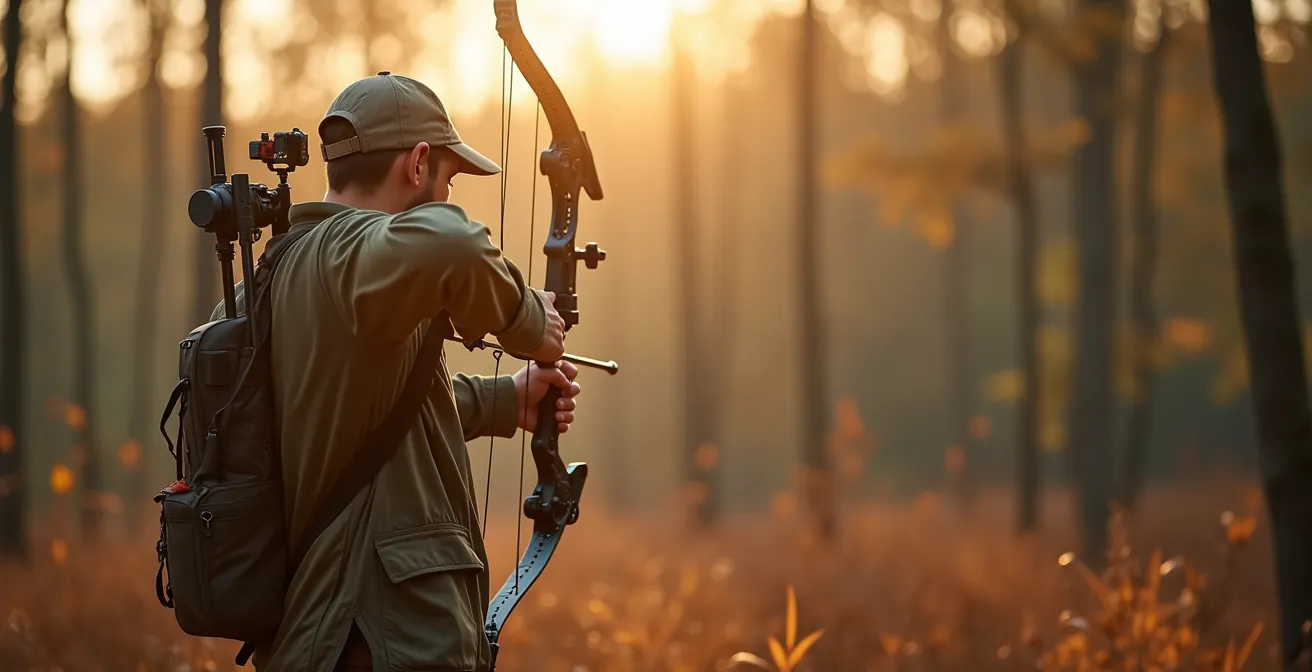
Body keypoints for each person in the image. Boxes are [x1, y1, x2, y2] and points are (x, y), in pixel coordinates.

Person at [215, 72, 583, 672]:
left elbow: (343, 417)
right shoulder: (349, 257)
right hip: (381, 636)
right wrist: (526, 320)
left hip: (311, 641)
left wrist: (502, 401)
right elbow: (454, 245)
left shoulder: (261, 288)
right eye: (449, 178)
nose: (447, 194)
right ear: (417, 164)